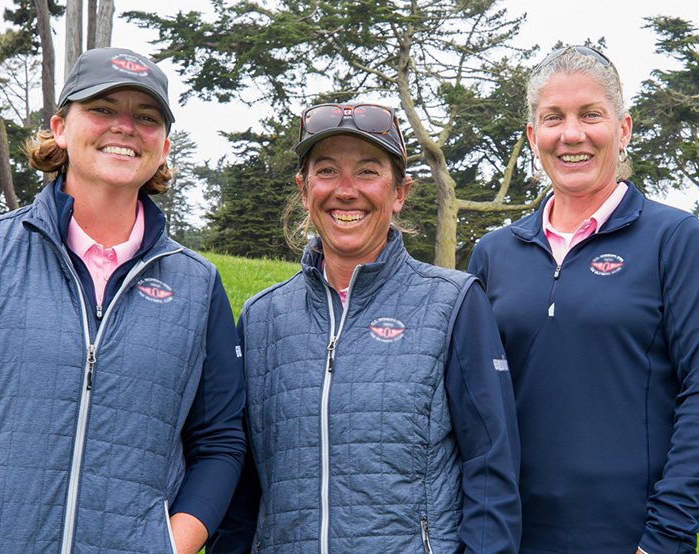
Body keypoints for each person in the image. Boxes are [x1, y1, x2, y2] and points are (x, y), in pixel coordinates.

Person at [0, 47, 245, 554]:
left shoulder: (199, 284)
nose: (124, 127)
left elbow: (219, 442)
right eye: (102, 109)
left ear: (164, 146)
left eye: (146, 117)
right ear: (60, 128)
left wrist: (172, 545)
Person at [208, 103, 521, 554]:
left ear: (399, 193)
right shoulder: (261, 318)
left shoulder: (453, 303)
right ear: (304, 189)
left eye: (369, 172)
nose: (346, 190)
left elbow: (491, 469)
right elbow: (241, 490)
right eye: (328, 171)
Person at [468, 45, 699, 554]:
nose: (571, 134)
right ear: (533, 136)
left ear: (623, 129)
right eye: (553, 118)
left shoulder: (678, 238)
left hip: (632, 539)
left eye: (590, 114)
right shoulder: (493, 253)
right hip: (512, 538)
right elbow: (476, 408)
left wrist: (665, 537)